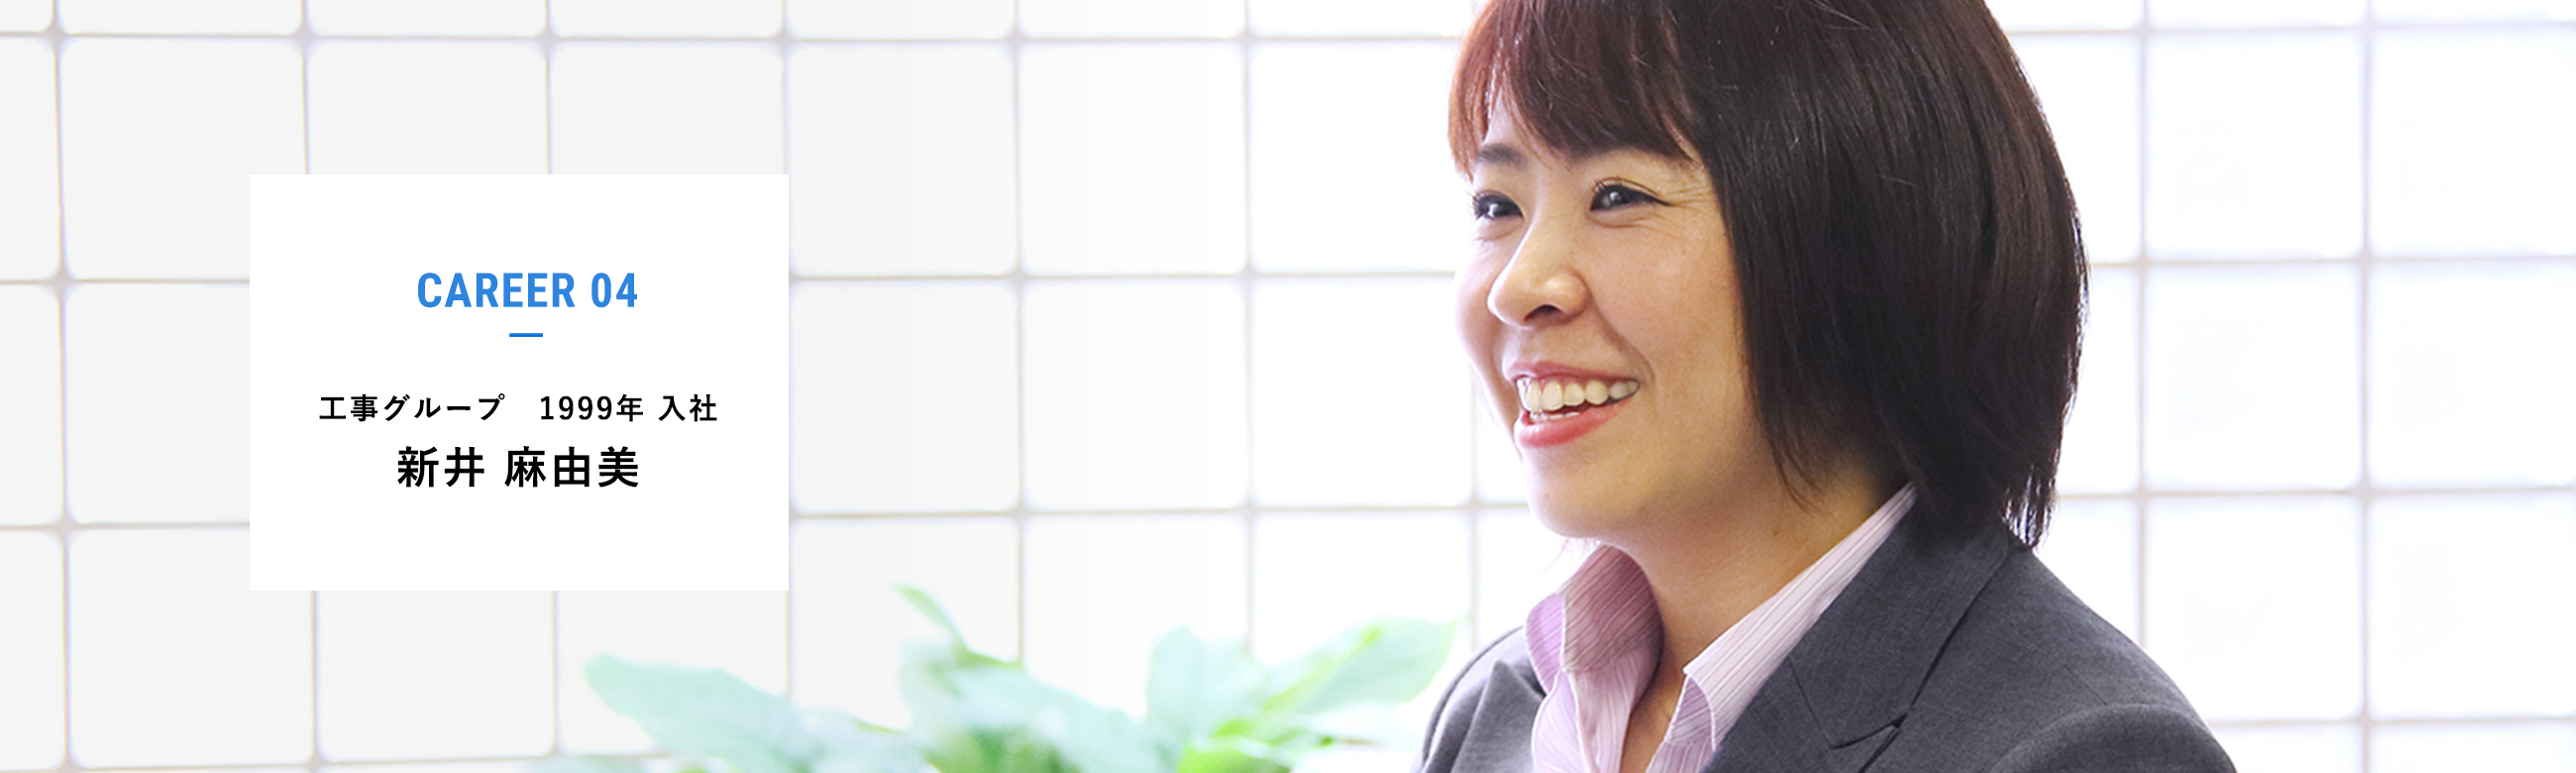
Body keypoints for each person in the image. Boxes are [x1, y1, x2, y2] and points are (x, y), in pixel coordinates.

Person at [1417, 1, 2233, 772]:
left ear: (1864, 239)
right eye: (1496, 205)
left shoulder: (2086, 751)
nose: (1517, 287)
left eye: (1618, 195)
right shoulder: (1496, 712)